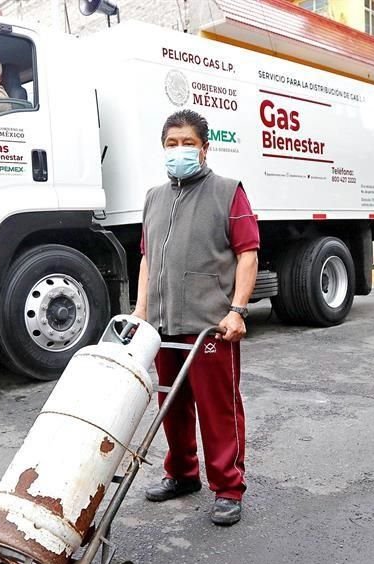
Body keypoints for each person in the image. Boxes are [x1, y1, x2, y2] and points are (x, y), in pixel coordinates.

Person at [133, 109, 260, 526]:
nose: (179, 151)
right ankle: (183, 474)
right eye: (172, 144)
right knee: (170, 403)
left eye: (188, 143)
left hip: (210, 324)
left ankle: (228, 487)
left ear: (205, 148)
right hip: (164, 322)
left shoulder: (227, 191)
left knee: (217, 407)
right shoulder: (154, 197)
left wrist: (237, 310)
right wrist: (140, 312)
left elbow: (247, 254)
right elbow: (148, 258)